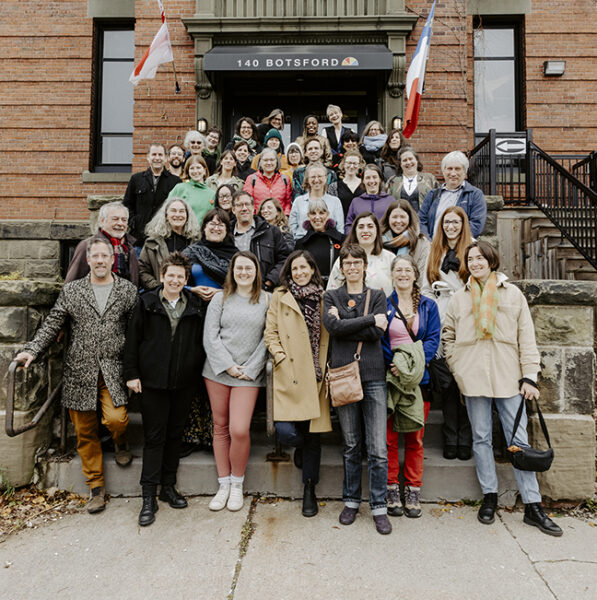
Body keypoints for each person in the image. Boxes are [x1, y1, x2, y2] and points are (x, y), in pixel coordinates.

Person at [442, 241, 563, 537]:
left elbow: (527, 337)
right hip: (473, 378)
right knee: (481, 438)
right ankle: (490, 496)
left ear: (491, 260)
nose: (475, 262)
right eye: (470, 259)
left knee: (517, 440)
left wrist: (529, 376)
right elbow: (448, 337)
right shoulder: (459, 298)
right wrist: (458, 368)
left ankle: (533, 505)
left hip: (509, 376)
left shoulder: (513, 295)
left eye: (480, 257)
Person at [15, 237, 137, 514]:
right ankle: (96, 486)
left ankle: (120, 439)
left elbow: (136, 333)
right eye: (95, 256)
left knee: (116, 419)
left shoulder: (127, 291)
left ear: (112, 259)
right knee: (84, 430)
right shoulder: (73, 292)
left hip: (113, 368)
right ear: (89, 260)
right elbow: (52, 323)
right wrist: (32, 350)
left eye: (105, 256)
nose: (100, 261)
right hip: (79, 370)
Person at [124, 252, 205, 526]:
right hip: (152, 382)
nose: (175, 280)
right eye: (170, 275)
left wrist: (194, 372)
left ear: (185, 279)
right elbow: (133, 340)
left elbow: (198, 343)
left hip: (183, 383)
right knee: (155, 437)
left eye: (180, 276)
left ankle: (168, 486)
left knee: (175, 436)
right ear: (162, 277)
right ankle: (148, 495)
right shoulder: (146, 303)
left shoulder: (193, 305)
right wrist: (132, 374)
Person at [322, 244, 392, 535]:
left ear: (365, 266)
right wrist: (367, 321)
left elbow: (378, 333)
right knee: (351, 445)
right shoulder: (331, 296)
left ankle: (379, 506)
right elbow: (333, 329)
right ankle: (351, 501)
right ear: (341, 267)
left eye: (356, 262)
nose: (351, 267)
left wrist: (347, 322)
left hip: (373, 375)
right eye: (346, 263)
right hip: (342, 374)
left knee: (377, 448)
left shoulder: (377, 296)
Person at [264, 250, 331, 517]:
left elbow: (331, 334)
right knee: (285, 431)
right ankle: (299, 446)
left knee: (313, 436)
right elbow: (270, 333)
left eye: (304, 268)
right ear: (289, 273)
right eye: (295, 269)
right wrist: (280, 358)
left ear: (313, 269)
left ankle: (309, 489)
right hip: (289, 372)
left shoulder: (325, 298)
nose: (300, 273)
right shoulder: (280, 297)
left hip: (315, 375)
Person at [203, 251, 269, 512]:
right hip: (217, 372)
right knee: (220, 427)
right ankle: (224, 484)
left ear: (256, 272)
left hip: (248, 376)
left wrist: (249, 368)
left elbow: (268, 337)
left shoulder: (267, 299)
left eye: (248, 268)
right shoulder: (220, 298)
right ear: (232, 271)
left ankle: (238, 483)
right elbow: (210, 335)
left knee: (239, 429)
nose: (244, 272)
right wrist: (228, 366)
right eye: (239, 268)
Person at [382, 254, 441, 519]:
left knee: (415, 437)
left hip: (419, 379)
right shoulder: (383, 305)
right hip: (391, 377)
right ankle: (392, 486)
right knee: (389, 437)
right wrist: (396, 365)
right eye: (398, 270)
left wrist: (411, 367)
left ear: (415, 275)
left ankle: (413, 487)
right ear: (392, 275)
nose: (403, 274)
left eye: (408, 270)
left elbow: (432, 340)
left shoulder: (429, 306)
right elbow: (380, 340)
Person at [179, 208, 238, 456]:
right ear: (203, 228)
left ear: (227, 230)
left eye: (221, 224)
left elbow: (244, 285)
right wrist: (191, 290)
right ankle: (192, 435)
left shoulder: (236, 257)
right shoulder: (191, 252)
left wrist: (221, 294)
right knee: (192, 374)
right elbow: (173, 280)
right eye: (211, 223)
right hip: (194, 318)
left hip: (225, 323)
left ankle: (218, 435)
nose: (215, 227)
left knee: (217, 376)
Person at [422, 206, 473, 460]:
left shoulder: (472, 248)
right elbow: (425, 288)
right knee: (449, 383)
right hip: (440, 316)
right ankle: (450, 436)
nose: (451, 227)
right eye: (447, 223)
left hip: (466, 317)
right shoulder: (435, 250)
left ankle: (466, 437)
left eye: (456, 222)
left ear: (463, 224)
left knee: (466, 382)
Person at [65, 201, 139, 285]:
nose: (120, 223)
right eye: (115, 219)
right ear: (102, 221)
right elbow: (71, 282)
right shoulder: (87, 245)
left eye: (124, 220)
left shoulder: (130, 246)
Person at [123, 143, 181, 251]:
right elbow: (127, 204)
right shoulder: (136, 179)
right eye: (154, 154)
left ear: (166, 158)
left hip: (165, 238)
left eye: (160, 155)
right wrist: (133, 221)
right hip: (139, 238)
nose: (157, 158)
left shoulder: (175, 182)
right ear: (148, 157)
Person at [231, 190, 291, 291]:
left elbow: (285, 260)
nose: (244, 208)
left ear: (253, 208)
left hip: (265, 291)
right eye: (240, 205)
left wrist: (269, 282)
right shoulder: (227, 234)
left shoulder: (271, 231)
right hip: (235, 291)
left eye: (247, 204)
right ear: (233, 209)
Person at [419, 150, 487, 239]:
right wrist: (428, 242)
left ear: (465, 172)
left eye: (457, 169)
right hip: (433, 248)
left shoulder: (475, 195)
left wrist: (452, 243)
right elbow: (421, 221)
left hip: (460, 249)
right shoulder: (432, 195)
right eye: (449, 169)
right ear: (443, 171)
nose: (453, 173)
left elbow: (476, 225)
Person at [138, 197, 200, 291]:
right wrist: (158, 288)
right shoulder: (153, 242)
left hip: (191, 295)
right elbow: (142, 270)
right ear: (166, 216)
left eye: (182, 211)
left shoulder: (196, 242)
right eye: (173, 211)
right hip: (161, 296)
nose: (177, 214)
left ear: (187, 216)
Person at [328, 212, 394, 296]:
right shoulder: (344, 260)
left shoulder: (390, 258)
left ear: (377, 230)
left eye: (370, 226)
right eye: (361, 227)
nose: (365, 230)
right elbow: (331, 294)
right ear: (355, 231)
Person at [380, 199, 430, 286]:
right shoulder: (379, 242)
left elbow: (422, 277)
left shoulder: (421, 243)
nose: (398, 221)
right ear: (388, 218)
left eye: (402, 217)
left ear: (409, 218)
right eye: (394, 217)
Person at [289, 163, 344, 240]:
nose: (316, 180)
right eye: (313, 177)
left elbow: (340, 228)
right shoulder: (298, 201)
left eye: (320, 176)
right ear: (307, 179)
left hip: (328, 243)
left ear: (326, 178)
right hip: (303, 244)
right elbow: (292, 228)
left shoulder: (335, 201)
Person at [295, 199, 344, 285]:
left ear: (328, 215)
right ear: (308, 216)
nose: (317, 217)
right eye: (313, 213)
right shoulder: (301, 244)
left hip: (336, 288)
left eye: (321, 213)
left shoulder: (342, 240)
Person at [345, 164, 395, 234]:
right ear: (363, 181)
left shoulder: (390, 200)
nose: (371, 181)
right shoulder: (356, 202)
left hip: (385, 242)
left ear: (380, 179)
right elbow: (349, 225)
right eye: (368, 178)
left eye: (374, 177)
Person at [168, 155, 216, 226]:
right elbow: (167, 209)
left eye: (198, 167)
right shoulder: (180, 188)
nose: (195, 171)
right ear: (188, 171)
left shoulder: (212, 194)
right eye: (192, 168)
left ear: (205, 171)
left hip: (203, 235)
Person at [387, 147, 439, 212]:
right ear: (400, 164)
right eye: (405, 160)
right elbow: (386, 204)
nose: (408, 162)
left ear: (416, 160)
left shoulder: (430, 179)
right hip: (400, 220)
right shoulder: (392, 181)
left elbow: (438, 201)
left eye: (410, 159)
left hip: (423, 221)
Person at [243, 148, 292, 215]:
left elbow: (288, 202)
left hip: (279, 221)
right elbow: (247, 202)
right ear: (260, 162)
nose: (269, 163)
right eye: (265, 160)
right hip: (259, 221)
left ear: (277, 161)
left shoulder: (285, 179)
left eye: (272, 160)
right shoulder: (252, 179)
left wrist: (285, 216)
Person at [336, 150, 366, 217]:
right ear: (344, 164)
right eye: (349, 163)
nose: (352, 166)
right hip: (343, 224)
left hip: (362, 224)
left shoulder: (365, 184)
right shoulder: (334, 186)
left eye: (355, 163)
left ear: (359, 165)